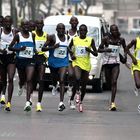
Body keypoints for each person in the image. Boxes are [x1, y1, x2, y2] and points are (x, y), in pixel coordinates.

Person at [69, 24, 98, 112]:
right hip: (77, 63)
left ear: (86, 32)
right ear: (79, 31)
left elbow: (96, 53)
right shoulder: (74, 39)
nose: (82, 32)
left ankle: (80, 101)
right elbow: (68, 48)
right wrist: (72, 55)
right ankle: (76, 95)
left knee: (84, 86)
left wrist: (90, 50)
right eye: (81, 30)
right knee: (77, 78)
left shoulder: (90, 40)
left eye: (84, 30)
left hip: (86, 65)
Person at [8, 20, 36, 112]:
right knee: (23, 79)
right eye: (24, 25)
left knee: (29, 79)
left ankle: (27, 102)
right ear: (21, 26)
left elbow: (33, 46)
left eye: (27, 25)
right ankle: (20, 85)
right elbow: (10, 47)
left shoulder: (32, 35)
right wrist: (19, 49)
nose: (26, 26)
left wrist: (34, 50)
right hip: (20, 61)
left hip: (30, 61)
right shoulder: (18, 36)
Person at [98, 24, 127, 111]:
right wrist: (105, 50)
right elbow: (99, 50)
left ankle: (112, 103)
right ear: (110, 31)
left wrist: (125, 56)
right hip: (107, 63)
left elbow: (125, 49)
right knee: (109, 83)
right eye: (112, 30)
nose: (114, 32)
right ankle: (111, 100)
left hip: (116, 63)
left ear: (117, 30)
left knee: (114, 82)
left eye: (116, 30)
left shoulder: (121, 40)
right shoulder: (106, 39)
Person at [42, 23, 69, 111]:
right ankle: (54, 85)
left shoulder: (67, 37)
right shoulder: (52, 37)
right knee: (54, 78)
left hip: (63, 61)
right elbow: (43, 48)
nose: (61, 30)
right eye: (59, 28)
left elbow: (67, 47)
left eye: (63, 28)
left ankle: (61, 102)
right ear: (56, 29)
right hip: (53, 62)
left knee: (62, 80)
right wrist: (53, 46)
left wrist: (71, 53)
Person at [0, 16, 16, 108]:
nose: (7, 23)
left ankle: (9, 102)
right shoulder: (0, 31)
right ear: (3, 22)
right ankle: (2, 95)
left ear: (12, 22)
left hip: (11, 58)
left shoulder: (14, 32)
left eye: (9, 22)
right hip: (2, 57)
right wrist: (1, 50)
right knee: (2, 79)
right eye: (6, 21)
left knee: (10, 78)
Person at [32, 19, 47, 112]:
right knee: (32, 80)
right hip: (33, 58)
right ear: (35, 25)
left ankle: (39, 103)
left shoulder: (46, 35)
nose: (39, 25)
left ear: (43, 24)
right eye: (37, 23)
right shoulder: (32, 34)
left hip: (42, 58)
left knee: (41, 80)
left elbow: (47, 46)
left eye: (41, 23)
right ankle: (29, 99)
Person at [126, 32, 140, 111]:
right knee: (138, 84)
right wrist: (132, 58)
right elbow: (126, 48)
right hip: (136, 65)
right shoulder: (136, 40)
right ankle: (136, 87)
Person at [66, 16, 79, 98]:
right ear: (70, 22)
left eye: (75, 21)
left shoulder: (80, 33)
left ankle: (75, 89)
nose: (74, 22)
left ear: (77, 22)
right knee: (70, 74)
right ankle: (70, 86)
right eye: (72, 21)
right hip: (69, 57)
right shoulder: (66, 32)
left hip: (78, 57)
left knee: (76, 76)